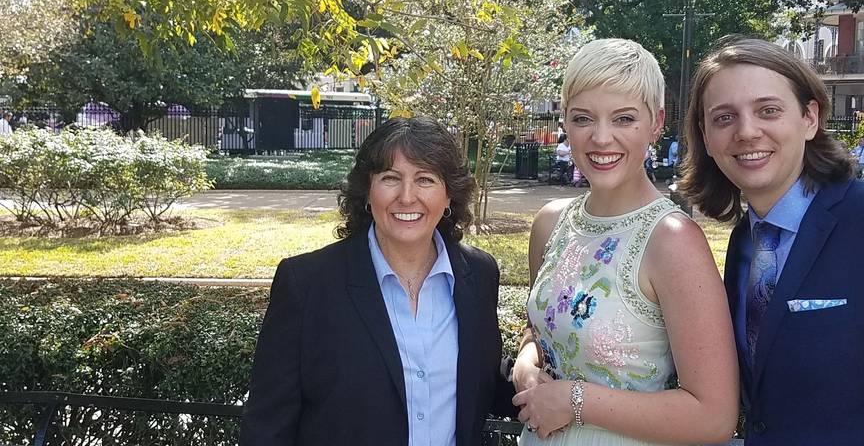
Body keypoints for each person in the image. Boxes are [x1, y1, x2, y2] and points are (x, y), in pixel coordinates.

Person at [679, 37, 864, 444]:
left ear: (810, 118)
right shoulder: (745, 242)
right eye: (724, 118)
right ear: (706, 136)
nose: (747, 131)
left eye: (768, 110)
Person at [511, 38, 739, 445]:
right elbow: (540, 330)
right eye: (583, 118)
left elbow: (714, 416)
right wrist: (526, 365)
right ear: (565, 121)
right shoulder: (550, 223)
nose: (601, 138)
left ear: (655, 123)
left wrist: (575, 400)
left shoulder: (672, 242)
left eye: (623, 119)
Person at [241, 116, 514, 446]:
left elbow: (482, 376)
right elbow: (267, 427)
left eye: (425, 179)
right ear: (367, 193)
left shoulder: (479, 276)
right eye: (390, 178)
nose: (407, 196)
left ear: (449, 197)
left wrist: (534, 372)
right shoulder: (307, 285)